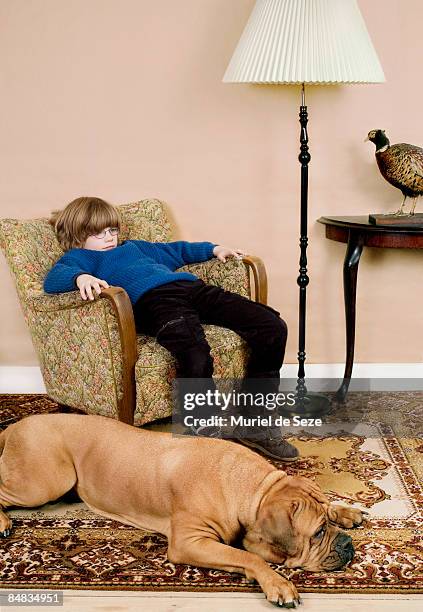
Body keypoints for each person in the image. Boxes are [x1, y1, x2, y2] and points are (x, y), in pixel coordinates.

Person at [44, 196, 299, 461]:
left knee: (272, 326)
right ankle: (200, 430)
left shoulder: (136, 248)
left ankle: (255, 423)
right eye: (98, 234)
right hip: (155, 302)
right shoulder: (81, 258)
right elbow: (54, 279)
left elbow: (179, 250)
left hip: (193, 289)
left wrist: (213, 249)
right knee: (195, 353)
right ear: (78, 236)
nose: (109, 238)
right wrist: (81, 276)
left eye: (112, 230)